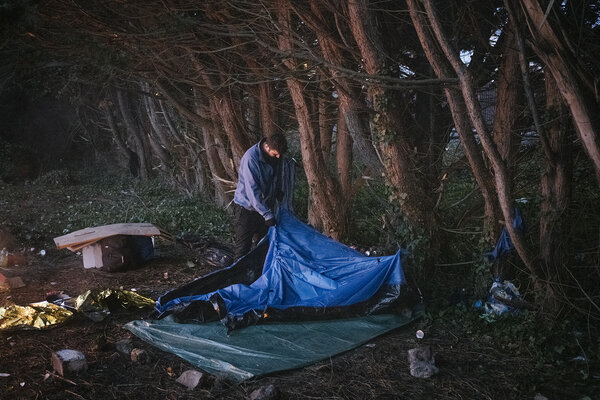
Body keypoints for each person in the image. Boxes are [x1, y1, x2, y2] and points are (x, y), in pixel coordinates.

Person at [233, 133, 288, 260]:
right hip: (246, 208)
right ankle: (237, 277)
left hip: (264, 207)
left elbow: (276, 177)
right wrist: (267, 215)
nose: (278, 156)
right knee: (243, 249)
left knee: (262, 246)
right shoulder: (251, 159)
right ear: (267, 147)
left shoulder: (275, 156)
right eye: (276, 154)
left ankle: (258, 276)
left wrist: (277, 190)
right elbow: (253, 191)